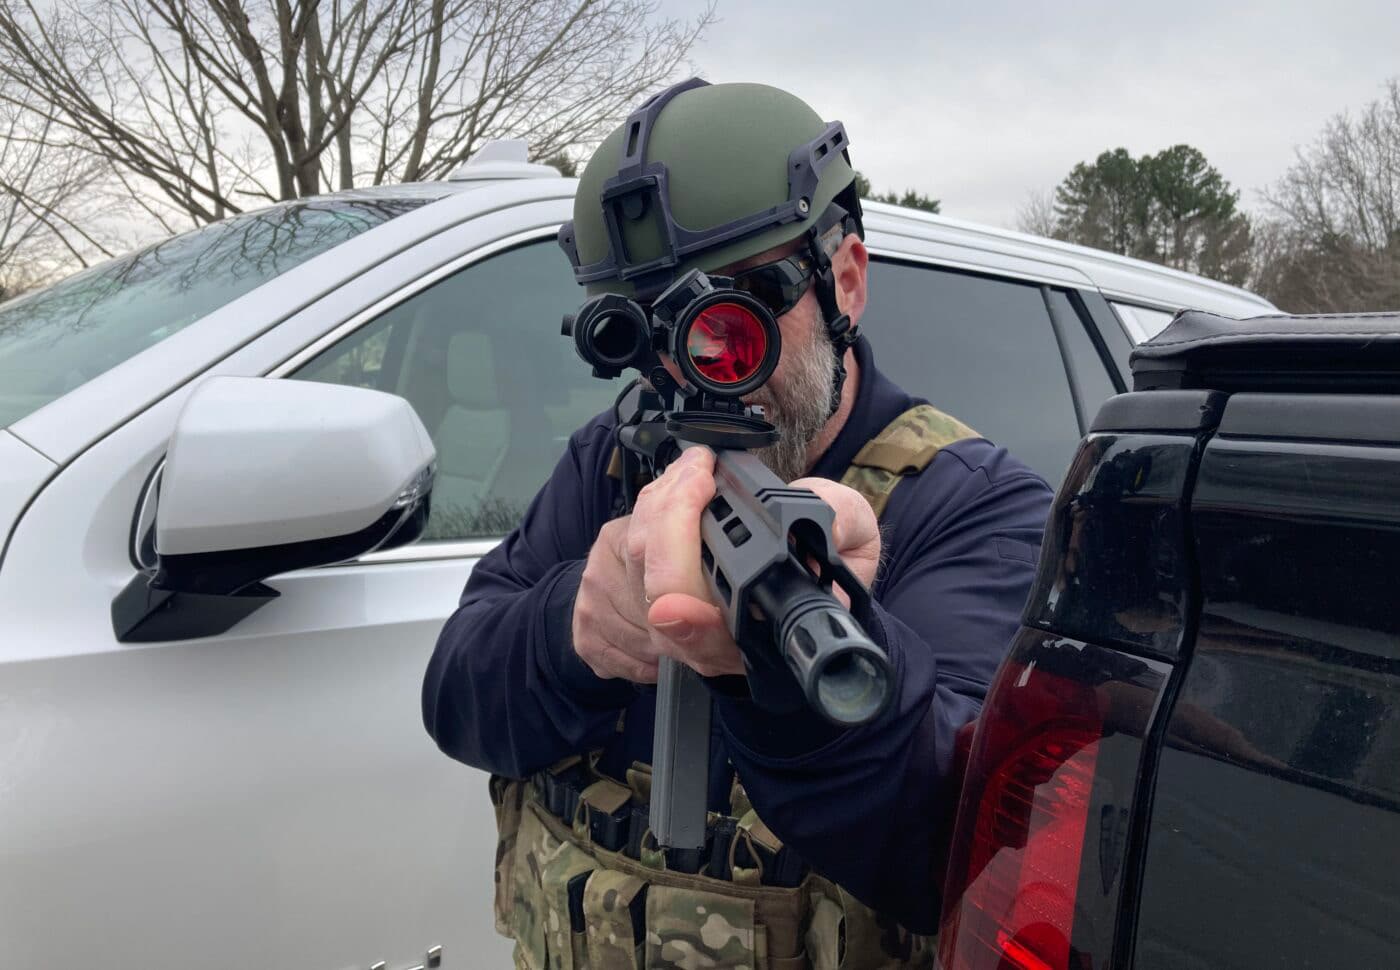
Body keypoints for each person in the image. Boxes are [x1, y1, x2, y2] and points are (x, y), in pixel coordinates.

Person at [422, 78, 1054, 969]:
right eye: (643, 331)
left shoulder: (971, 508)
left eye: (731, 315)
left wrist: (809, 682)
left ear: (846, 278)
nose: (692, 371)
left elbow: (963, 853)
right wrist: (573, 629)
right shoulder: (608, 460)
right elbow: (454, 695)